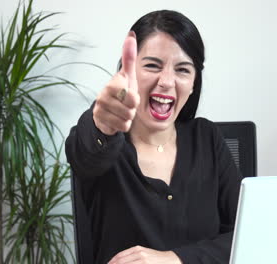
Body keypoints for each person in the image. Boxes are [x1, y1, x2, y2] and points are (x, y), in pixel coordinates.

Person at [65, 10, 242, 264]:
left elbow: (243, 236)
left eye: (182, 70)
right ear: (128, 73)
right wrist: (101, 123)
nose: (167, 81)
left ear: (193, 84)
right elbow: (84, 153)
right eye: (152, 65)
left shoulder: (208, 138)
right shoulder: (103, 141)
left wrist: (175, 259)